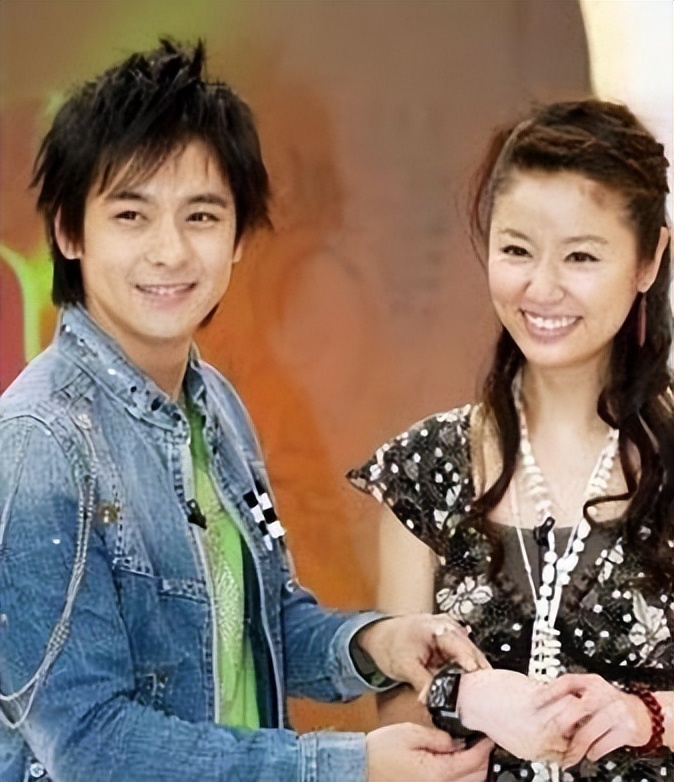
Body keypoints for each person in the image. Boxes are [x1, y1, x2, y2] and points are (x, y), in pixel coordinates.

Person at [0, 39, 494, 782]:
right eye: (131, 215)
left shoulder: (215, 406)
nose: (170, 251)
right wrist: (349, 765)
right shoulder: (39, 441)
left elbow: (259, 623)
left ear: (237, 239)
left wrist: (378, 644)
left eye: (201, 216)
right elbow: (91, 745)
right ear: (70, 233)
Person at [349, 99, 673, 781]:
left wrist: (647, 714)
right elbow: (395, 713)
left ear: (649, 259)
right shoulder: (426, 467)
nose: (542, 287)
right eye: (517, 250)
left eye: (581, 256)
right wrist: (465, 697)